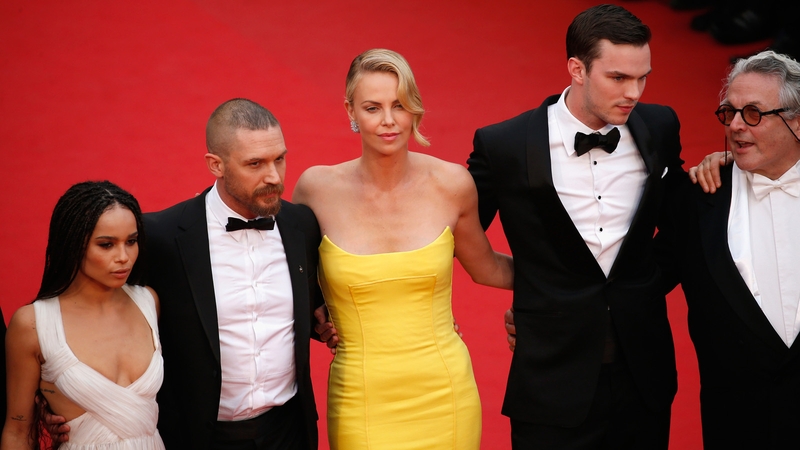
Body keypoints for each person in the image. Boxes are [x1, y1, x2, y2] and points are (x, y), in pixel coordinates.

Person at [467, 5, 685, 449]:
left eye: (642, 77)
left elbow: (681, 228)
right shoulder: (504, 145)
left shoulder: (660, 127)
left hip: (642, 377)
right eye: (618, 78)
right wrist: (534, 289)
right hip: (550, 384)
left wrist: (640, 288)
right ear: (577, 69)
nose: (634, 92)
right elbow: (456, 228)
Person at [293, 48, 514, 450]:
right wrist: (316, 315)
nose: (389, 121)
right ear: (350, 111)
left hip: (444, 390)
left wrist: (565, 282)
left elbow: (488, 269)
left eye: (400, 105)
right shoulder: (315, 190)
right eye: (373, 108)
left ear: (415, 107)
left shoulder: (452, 184)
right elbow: (294, 275)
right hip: (360, 395)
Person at [143, 99, 326, 450]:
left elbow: (318, 305)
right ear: (216, 165)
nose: (273, 176)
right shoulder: (163, 236)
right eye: (255, 164)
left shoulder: (302, 225)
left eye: (279, 159)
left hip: (288, 432)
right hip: (199, 437)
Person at [655, 50, 800, 449]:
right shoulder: (697, 199)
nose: (735, 126)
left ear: (797, 121)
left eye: (753, 113)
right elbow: (639, 285)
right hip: (736, 428)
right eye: (729, 112)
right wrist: (549, 311)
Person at [2, 180, 164, 449]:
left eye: (131, 241)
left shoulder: (149, 302)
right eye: (106, 245)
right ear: (72, 244)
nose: (123, 256)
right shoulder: (32, 324)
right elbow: (18, 431)